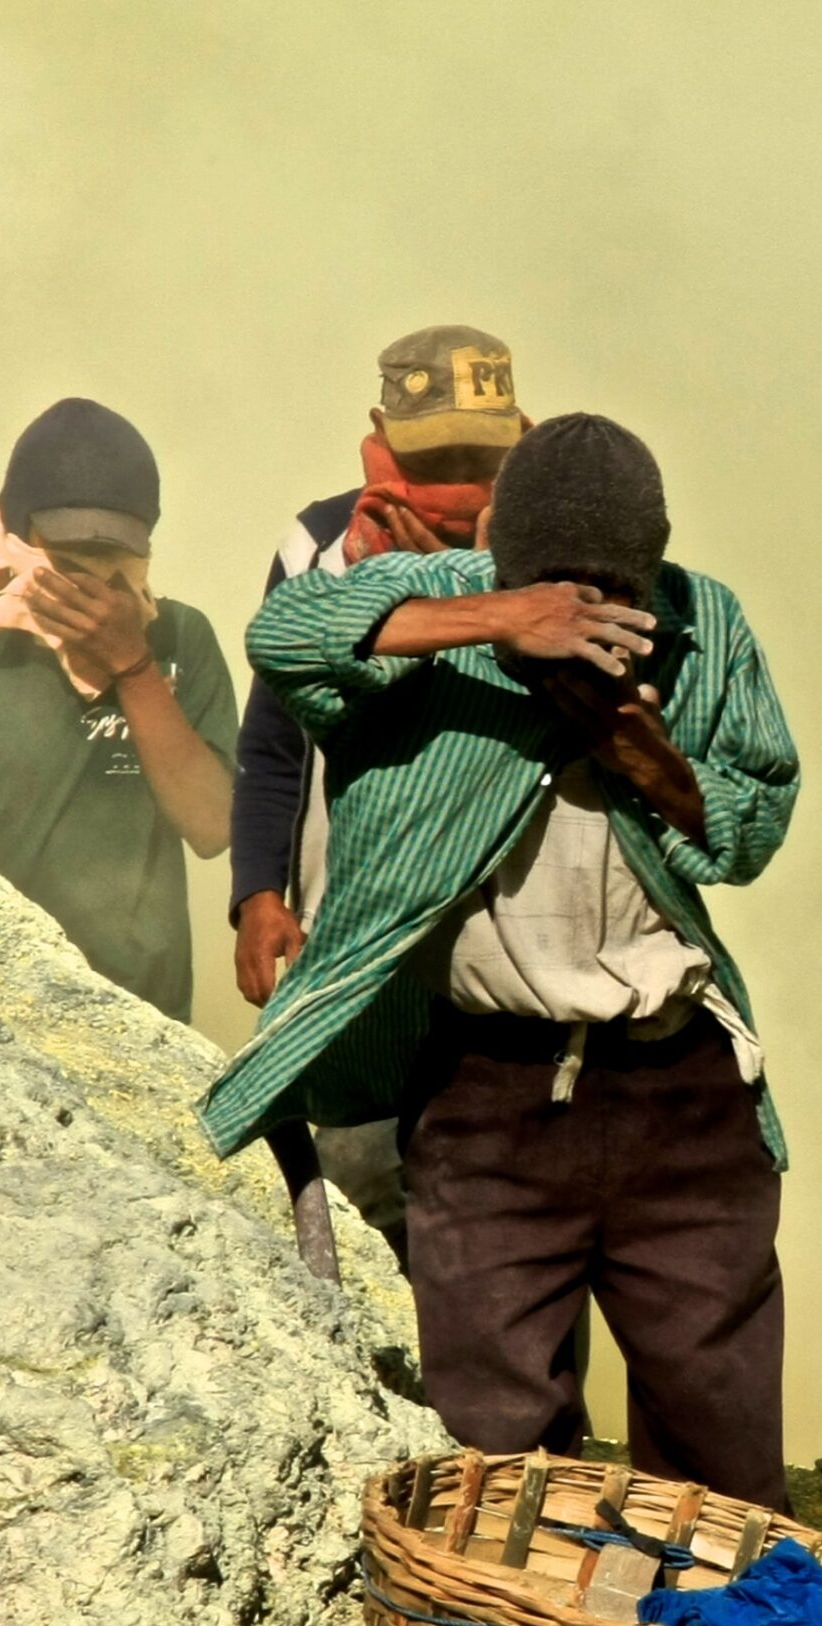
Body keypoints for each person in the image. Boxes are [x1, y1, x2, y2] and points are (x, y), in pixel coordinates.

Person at [201, 414, 801, 1509]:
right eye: (551, 586)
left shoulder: (704, 620)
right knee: (493, 1451)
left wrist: (640, 754)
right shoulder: (447, 601)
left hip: (684, 1094)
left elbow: (755, 826)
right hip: (489, 1093)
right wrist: (495, 621)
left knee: (719, 1446)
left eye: (607, 591)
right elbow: (284, 637)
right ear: (505, 556)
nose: (581, 611)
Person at [229, 325, 526, 1261]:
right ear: (382, 434)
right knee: (364, 1215)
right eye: (438, 457)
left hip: (510, 961)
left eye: (483, 455)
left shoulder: (548, 542)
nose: (460, 480)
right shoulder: (319, 545)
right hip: (353, 947)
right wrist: (259, 892)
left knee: (513, 1233)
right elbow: (275, 738)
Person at [0, 397, 237, 1021]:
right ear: (19, 538)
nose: (95, 582)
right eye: (67, 559)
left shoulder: (180, 641)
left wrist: (133, 667)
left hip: (137, 1014)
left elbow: (213, 825)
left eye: (115, 558)